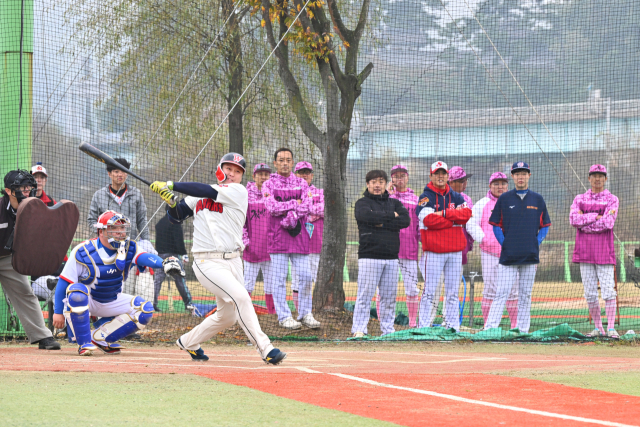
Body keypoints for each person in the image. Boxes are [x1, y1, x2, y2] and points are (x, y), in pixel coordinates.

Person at [150, 152, 287, 365]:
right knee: (241, 297)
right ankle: (266, 348)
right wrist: (170, 203)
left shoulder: (238, 191)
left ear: (242, 176)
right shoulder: (197, 196)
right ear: (220, 169)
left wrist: (171, 184)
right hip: (207, 262)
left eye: (237, 171)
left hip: (233, 261)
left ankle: (188, 341)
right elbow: (176, 218)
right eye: (228, 168)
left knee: (228, 317)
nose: (231, 174)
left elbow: (205, 189)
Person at [52, 211, 173, 355]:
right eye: (115, 228)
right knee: (76, 291)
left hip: (111, 299)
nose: (120, 232)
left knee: (145, 310)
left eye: (122, 228)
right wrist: (58, 312)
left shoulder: (129, 247)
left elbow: (144, 257)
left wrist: (164, 263)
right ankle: (84, 343)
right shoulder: (83, 251)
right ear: (101, 231)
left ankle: (100, 337)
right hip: (86, 301)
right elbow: (63, 282)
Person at [485, 162, 551, 334]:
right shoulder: (504, 199)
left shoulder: (538, 199)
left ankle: (523, 330)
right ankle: (490, 328)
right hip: (509, 256)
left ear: (529, 175)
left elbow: (545, 225)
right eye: (517, 174)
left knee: (525, 295)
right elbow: (495, 225)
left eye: (524, 173)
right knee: (502, 292)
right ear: (513, 177)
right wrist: (505, 243)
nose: (520, 177)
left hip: (530, 256)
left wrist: (536, 241)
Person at [0, 170, 60, 350]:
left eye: (29, 188)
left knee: (25, 292)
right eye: (21, 188)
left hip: (8, 259)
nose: (27, 192)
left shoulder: (34, 209)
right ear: (8, 191)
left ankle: (43, 337)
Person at [261, 148, 320, 329]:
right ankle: (284, 316)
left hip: (299, 238)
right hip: (277, 239)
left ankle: (305, 314)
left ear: (292, 162)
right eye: (281, 160)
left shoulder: (302, 184)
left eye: (288, 159)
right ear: (276, 163)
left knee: (306, 276)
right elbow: (272, 207)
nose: (285, 163)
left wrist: (289, 212)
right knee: (278, 280)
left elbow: (308, 206)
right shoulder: (268, 185)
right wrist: (295, 204)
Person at [87, 158, 156, 301]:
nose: (120, 175)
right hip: (106, 251)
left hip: (129, 249)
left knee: (129, 290)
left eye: (124, 171)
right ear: (109, 174)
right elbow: (91, 221)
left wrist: (146, 241)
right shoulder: (99, 195)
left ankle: (130, 321)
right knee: (110, 290)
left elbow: (142, 220)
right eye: (116, 171)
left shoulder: (135, 193)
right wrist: (102, 236)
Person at [352, 170, 410, 337]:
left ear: (386, 184)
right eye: (373, 182)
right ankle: (359, 330)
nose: (377, 185)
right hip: (369, 257)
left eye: (380, 181)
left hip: (391, 258)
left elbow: (405, 220)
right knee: (365, 296)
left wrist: (380, 222)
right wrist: (391, 217)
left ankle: (388, 331)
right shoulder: (362, 203)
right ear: (367, 184)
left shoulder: (395, 202)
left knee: (389, 298)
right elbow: (365, 217)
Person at [416, 161, 472, 332]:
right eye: (437, 173)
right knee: (430, 291)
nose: (440, 176)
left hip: (455, 251)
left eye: (443, 173)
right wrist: (453, 219)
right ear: (431, 176)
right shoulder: (425, 197)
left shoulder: (456, 196)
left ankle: (452, 326)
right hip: (434, 252)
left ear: (448, 176)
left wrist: (445, 213)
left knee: (453, 292)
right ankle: (423, 326)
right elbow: (429, 220)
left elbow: (467, 215)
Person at [569, 164, 619, 338]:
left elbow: (608, 223)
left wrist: (586, 221)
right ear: (589, 178)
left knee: (608, 291)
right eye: (594, 175)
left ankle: (611, 328)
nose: (597, 179)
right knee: (589, 292)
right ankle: (598, 328)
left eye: (601, 175)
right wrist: (594, 216)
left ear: (605, 179)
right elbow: (574, 220)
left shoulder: (612, 199)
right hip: (585, 252)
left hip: (604, 252)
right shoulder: (579, 198)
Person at [466, 172, 519, 329]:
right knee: (490, 289)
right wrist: (484, 239)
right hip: (489, 252)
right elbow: (471, 223)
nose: (500, 186)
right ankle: (488, 326)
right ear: (490, 186)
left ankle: (515, 326)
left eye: (503, 183)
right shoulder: (482, 203)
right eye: (496, 184)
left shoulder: (515, 201)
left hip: (512, 253)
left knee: (513, 290)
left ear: (507, 185)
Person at [385, 164, 420, 328]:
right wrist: (388, 194)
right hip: (388, 250)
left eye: (402, 176)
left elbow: (419, 225)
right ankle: (384, 322)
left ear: (407, 177)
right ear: (391, 179)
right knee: (385, 289)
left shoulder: (416, 199)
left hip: (409, 249)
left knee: (412, 289)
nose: (399, 179)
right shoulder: (386, 197)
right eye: (396, 176)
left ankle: (413, 323)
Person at [291, 161, 324, 312]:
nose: (304, 175)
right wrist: (311, 213)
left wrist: (305, 211)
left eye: (307, 172)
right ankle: (300, 313)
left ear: (312, 175)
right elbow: (291, 210)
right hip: (296, 244)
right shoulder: (290, 191)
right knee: (298, 281)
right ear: (295, 174)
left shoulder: (320, 192)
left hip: (317, 245)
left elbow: (325, 208)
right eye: (301, 172)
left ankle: (315, 311)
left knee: (318, 280)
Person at [243, 163, 274, 312]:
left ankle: (272, 314)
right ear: (254, 176)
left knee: (271, 284)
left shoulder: (273, 194)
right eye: (260, 174)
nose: (263, 177)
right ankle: (245, 313)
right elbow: (241, 220)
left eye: (266, 174)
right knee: (248, 284)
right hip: (252, 249)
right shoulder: (245, 194)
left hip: (271, 248)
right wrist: (245, 241)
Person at [153, 215, 194, 312]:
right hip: (172, 255)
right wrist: (183, 253)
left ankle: (152, 303)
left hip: (160, 255)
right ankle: (188, 304)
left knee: (157, 281)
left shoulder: (160, 222)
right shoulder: (175, 221)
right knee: (180, 280)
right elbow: (178, 239)